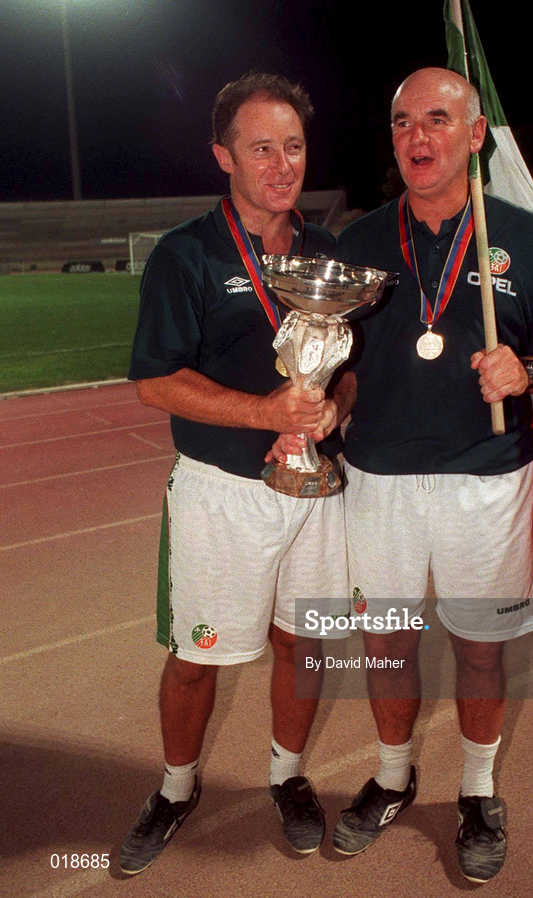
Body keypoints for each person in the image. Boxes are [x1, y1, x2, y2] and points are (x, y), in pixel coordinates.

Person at [270, 67, 533, 883]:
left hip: (485, 480)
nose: (417, 137)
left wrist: (525, 371)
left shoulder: (523, 235)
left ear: (475, 135)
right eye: (402, 122)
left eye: (436, 119)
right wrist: (328, 406)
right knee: (387, 641)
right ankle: (393, 777)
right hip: (381, 480)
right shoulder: (358, 242)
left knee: (478, 648)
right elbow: (347, 366)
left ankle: (477, 791)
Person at [119, 72, 349, 874]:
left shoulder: (327, 254)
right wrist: (265, 415)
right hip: (222, 493)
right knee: (197, 656)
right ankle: (176, 788)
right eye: (261, 149)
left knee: (303, 643)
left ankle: (287, 776)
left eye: (293, 146)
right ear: (223, 156)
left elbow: (348, 368)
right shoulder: (187, 253)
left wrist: (332, 408)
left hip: (314, 490)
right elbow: (155, 381)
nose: (282, 165)